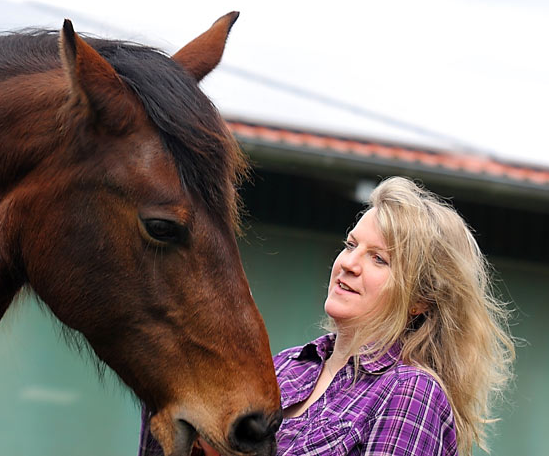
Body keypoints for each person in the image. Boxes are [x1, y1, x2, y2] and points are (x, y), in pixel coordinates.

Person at [138, 177, 515, 456]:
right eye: (351, 245)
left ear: (421, 299)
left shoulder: (411, 392)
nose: (348, 263)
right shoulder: (284, 367)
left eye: (378, 258)